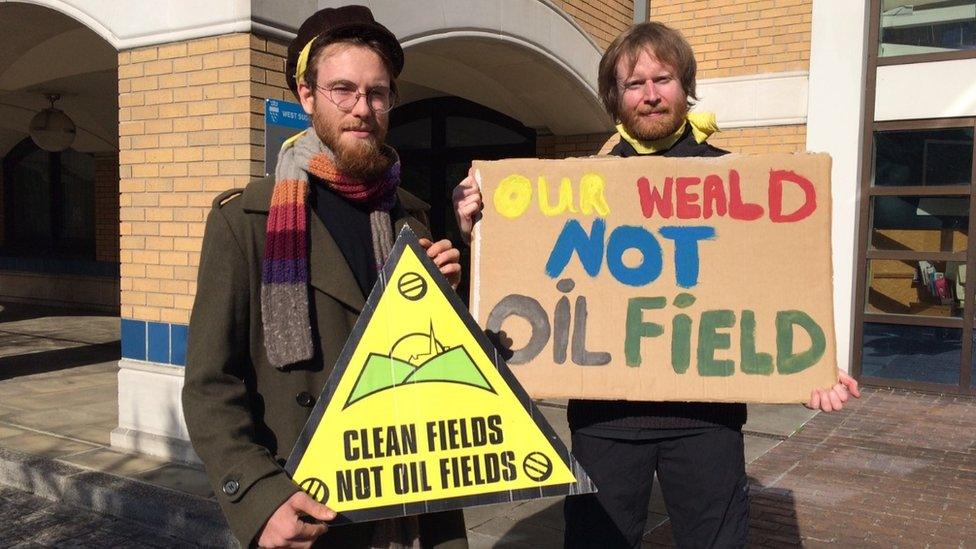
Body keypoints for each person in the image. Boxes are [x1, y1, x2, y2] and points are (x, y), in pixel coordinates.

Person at [452, 21, 860, 549]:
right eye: (633, 84)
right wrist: (482, 229)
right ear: (615, 98)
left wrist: (809, 364)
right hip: (605, 419)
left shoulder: (736, 181)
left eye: (662, 79)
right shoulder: (573, 187)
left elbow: (772, 284)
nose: (649, 95)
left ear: (685, 86)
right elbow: (526, 269)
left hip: (706, 417)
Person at [183, 6, 468, 548]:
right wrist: (259, 498)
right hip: (310, 510)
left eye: (377, 93)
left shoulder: (413, 217)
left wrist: (445, 302)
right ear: (307, 97)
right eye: (343, 90)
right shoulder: (245, 222)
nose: (362, 109)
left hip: (414, 500)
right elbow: (209, 385)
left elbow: (428, 363)